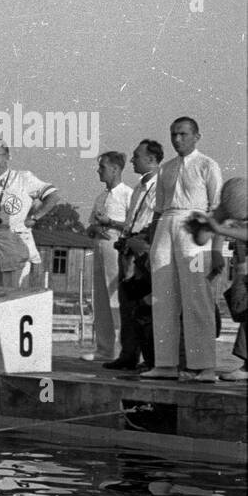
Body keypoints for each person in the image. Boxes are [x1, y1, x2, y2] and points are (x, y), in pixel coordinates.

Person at [142, 117, 223, 382]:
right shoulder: (165, 169)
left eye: (183, 134)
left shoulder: (207, 165)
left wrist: (216, 249)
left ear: (197, 136)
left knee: (197, 296)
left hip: (196, 227)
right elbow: (157, 210)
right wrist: (151, 246)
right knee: (162, 298)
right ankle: (165, 364)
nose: (178, 139)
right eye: (174, 134)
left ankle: (206, 366)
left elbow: (218, 210)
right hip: (166, 225)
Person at [0, 141, 60, 289]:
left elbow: (52, 194)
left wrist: (35, 217)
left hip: (15, 247)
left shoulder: (23, 178)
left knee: (14, 299)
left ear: (8, 156)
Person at [105, 140, 163, 371]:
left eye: (136, 156)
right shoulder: (139, 187)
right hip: (128, 247)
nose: (131, 160)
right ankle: (128, 354)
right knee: (127, 303)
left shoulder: (162, 185)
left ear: (150, 159)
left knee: (144, 305)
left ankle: (150, 358)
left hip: (145, 247)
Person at [190, 176, 248, 381]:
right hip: (243, 270)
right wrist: (213, 247)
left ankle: (246, 366)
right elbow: (202, 237)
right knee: (241, 311)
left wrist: (220, 229)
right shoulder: (233, 202)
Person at [85, 151, 133, 361]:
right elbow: (90, 227)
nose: (98, 170)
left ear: (115, 169)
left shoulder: (128, 195)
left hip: (118, 253)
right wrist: (96, 227)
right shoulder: (101, 197)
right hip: (99, 251)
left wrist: (110, 223)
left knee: (118, 301)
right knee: (101, 301)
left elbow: (133, 226)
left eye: (102, 167)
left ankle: (125, 350)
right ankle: (104, 349)